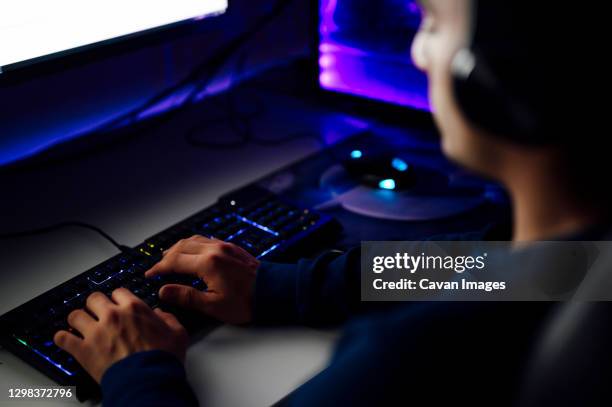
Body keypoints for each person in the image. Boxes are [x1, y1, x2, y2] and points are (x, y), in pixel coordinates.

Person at [52, 0, 610, 405]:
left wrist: (138, 374)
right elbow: (490, 271)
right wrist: (284, 287)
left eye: (435, 24)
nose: (418, 52)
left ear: (509, 74)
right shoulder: (581, 256)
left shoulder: (415, 359)